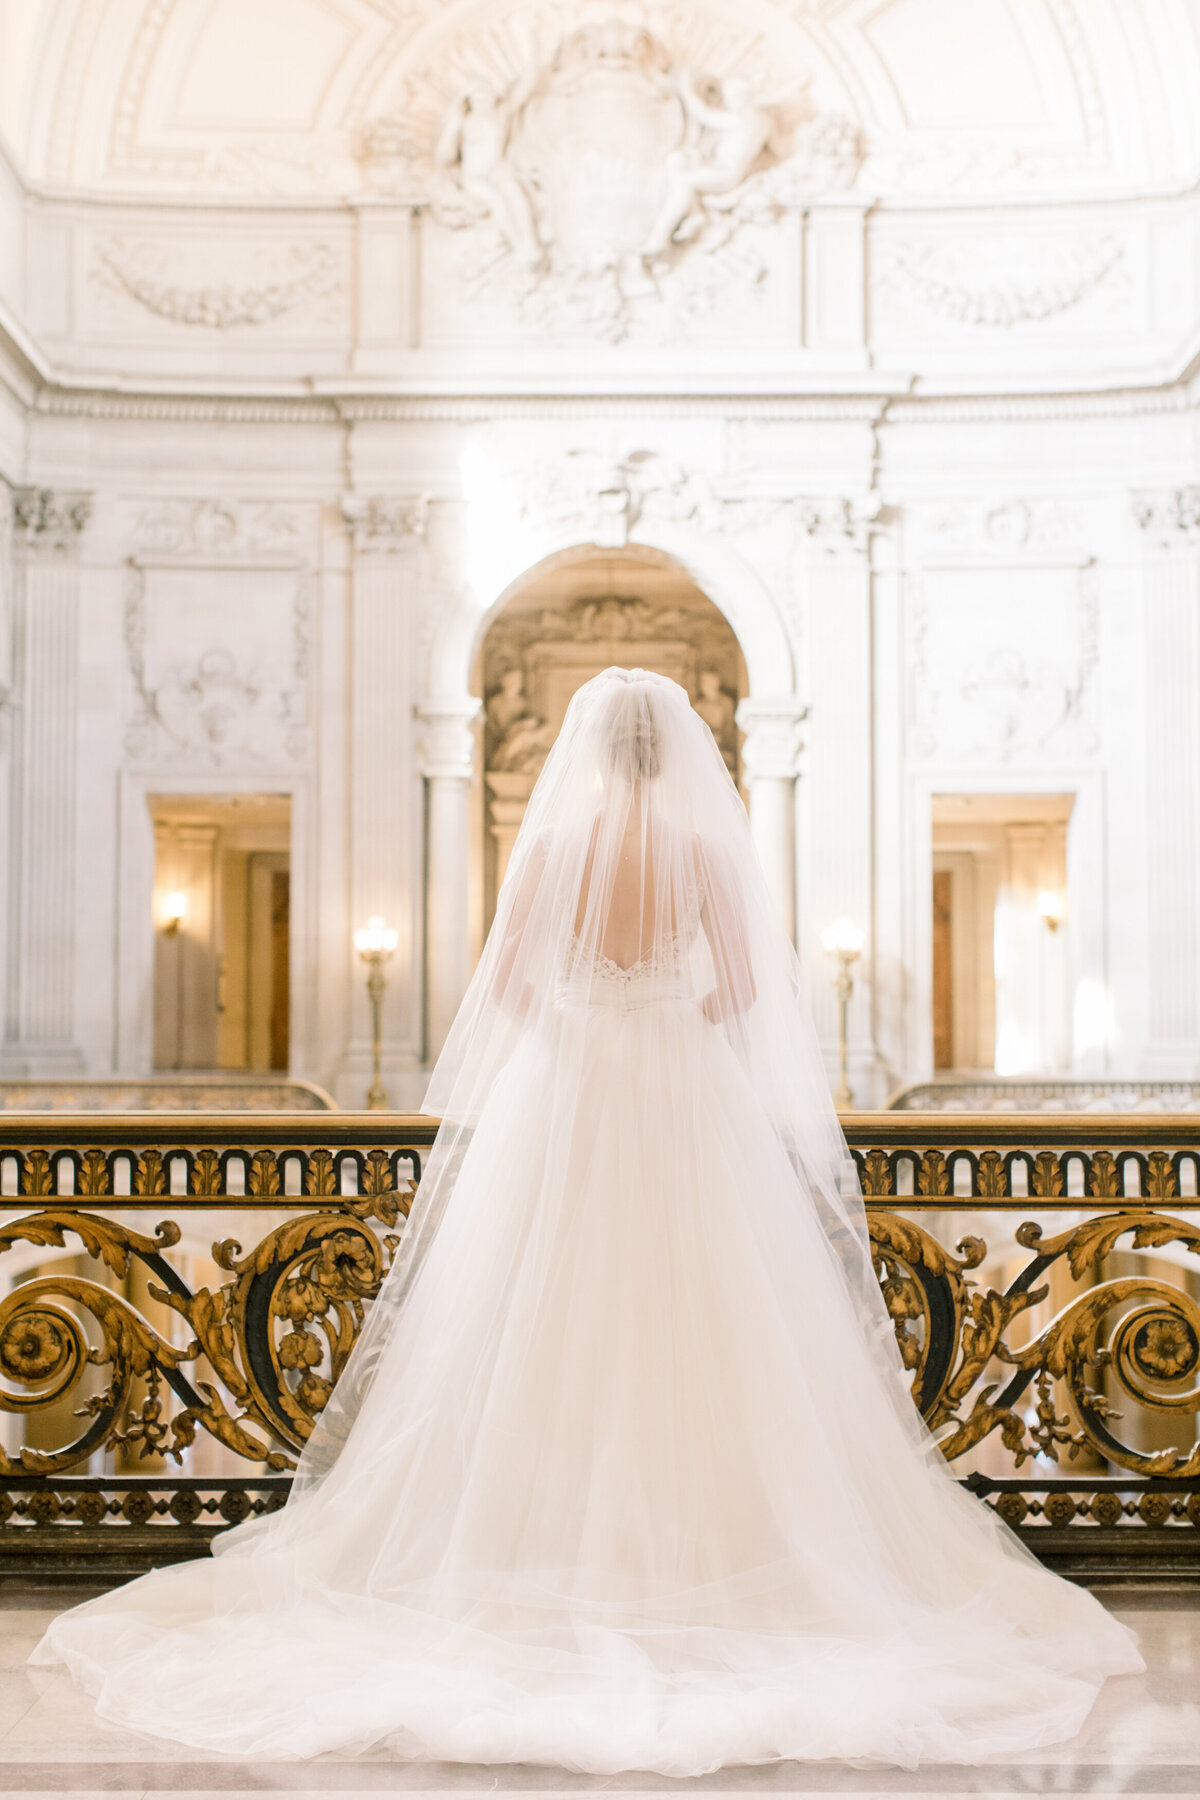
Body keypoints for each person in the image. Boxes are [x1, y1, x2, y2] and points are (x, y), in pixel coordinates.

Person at [32, 668, 1140, 1773]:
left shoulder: (554, 851)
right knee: (710, 1325)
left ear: (590, 754)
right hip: (682, 1093)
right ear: (677, 759)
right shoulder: (706, 854)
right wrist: (664, 1019)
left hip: (563, 1095)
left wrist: (589, 1015)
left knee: (538, 1322)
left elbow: (505, 991)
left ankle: (524, 1561)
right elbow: (750, 991)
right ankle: (729, 1563)